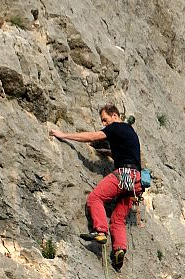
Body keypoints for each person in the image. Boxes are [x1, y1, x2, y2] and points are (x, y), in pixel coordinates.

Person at [50, 105, 142, 270]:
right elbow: (125, 153)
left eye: (105, 119)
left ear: (115, 115)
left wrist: (64, 135)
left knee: (95, 198)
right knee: (118, 219)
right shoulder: (130, 132)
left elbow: (92, 136)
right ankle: (119, 249)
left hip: (125, 174)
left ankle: (100, 231)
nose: (105, 123)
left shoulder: (116, 127)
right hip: (136, 181)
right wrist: (109, 153)